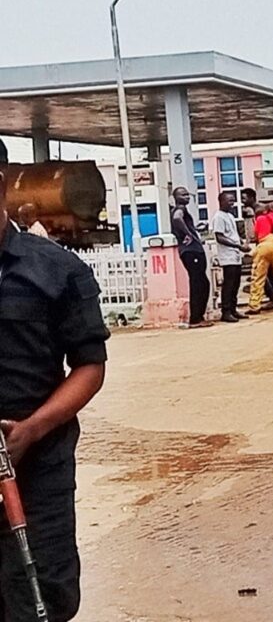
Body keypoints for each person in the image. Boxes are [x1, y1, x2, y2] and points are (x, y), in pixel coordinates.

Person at [0, 166, 108, 621]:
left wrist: (32, 429)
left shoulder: (58, 269)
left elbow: (90, 367)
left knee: (40, 594)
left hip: (37, 470)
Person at [170, 187, 212, 329]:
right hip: (190, 251)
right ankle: (195, 318)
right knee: (197, 283)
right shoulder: (179, 210)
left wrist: (194, 229)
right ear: (175, 197)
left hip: (194, 250)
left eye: (188, 194)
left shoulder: (183, 210)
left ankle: (198, 316)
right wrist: (188, 234)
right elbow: (177, 219)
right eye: (183, 194)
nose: (187, 197)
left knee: (202, 283)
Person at [212, 191, 250, 323]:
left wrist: (241, 242)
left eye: (233, 201)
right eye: (229, 201)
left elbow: (233, 234)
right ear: (221, 201)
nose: (232, 204)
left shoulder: (230, 216)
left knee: (236, 284)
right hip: (227, 256)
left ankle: (233, 309)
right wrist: (237, 246)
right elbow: (219, 237)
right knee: (229, 284)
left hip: (235, 255)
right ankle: (226, 311)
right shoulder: (219, 217)